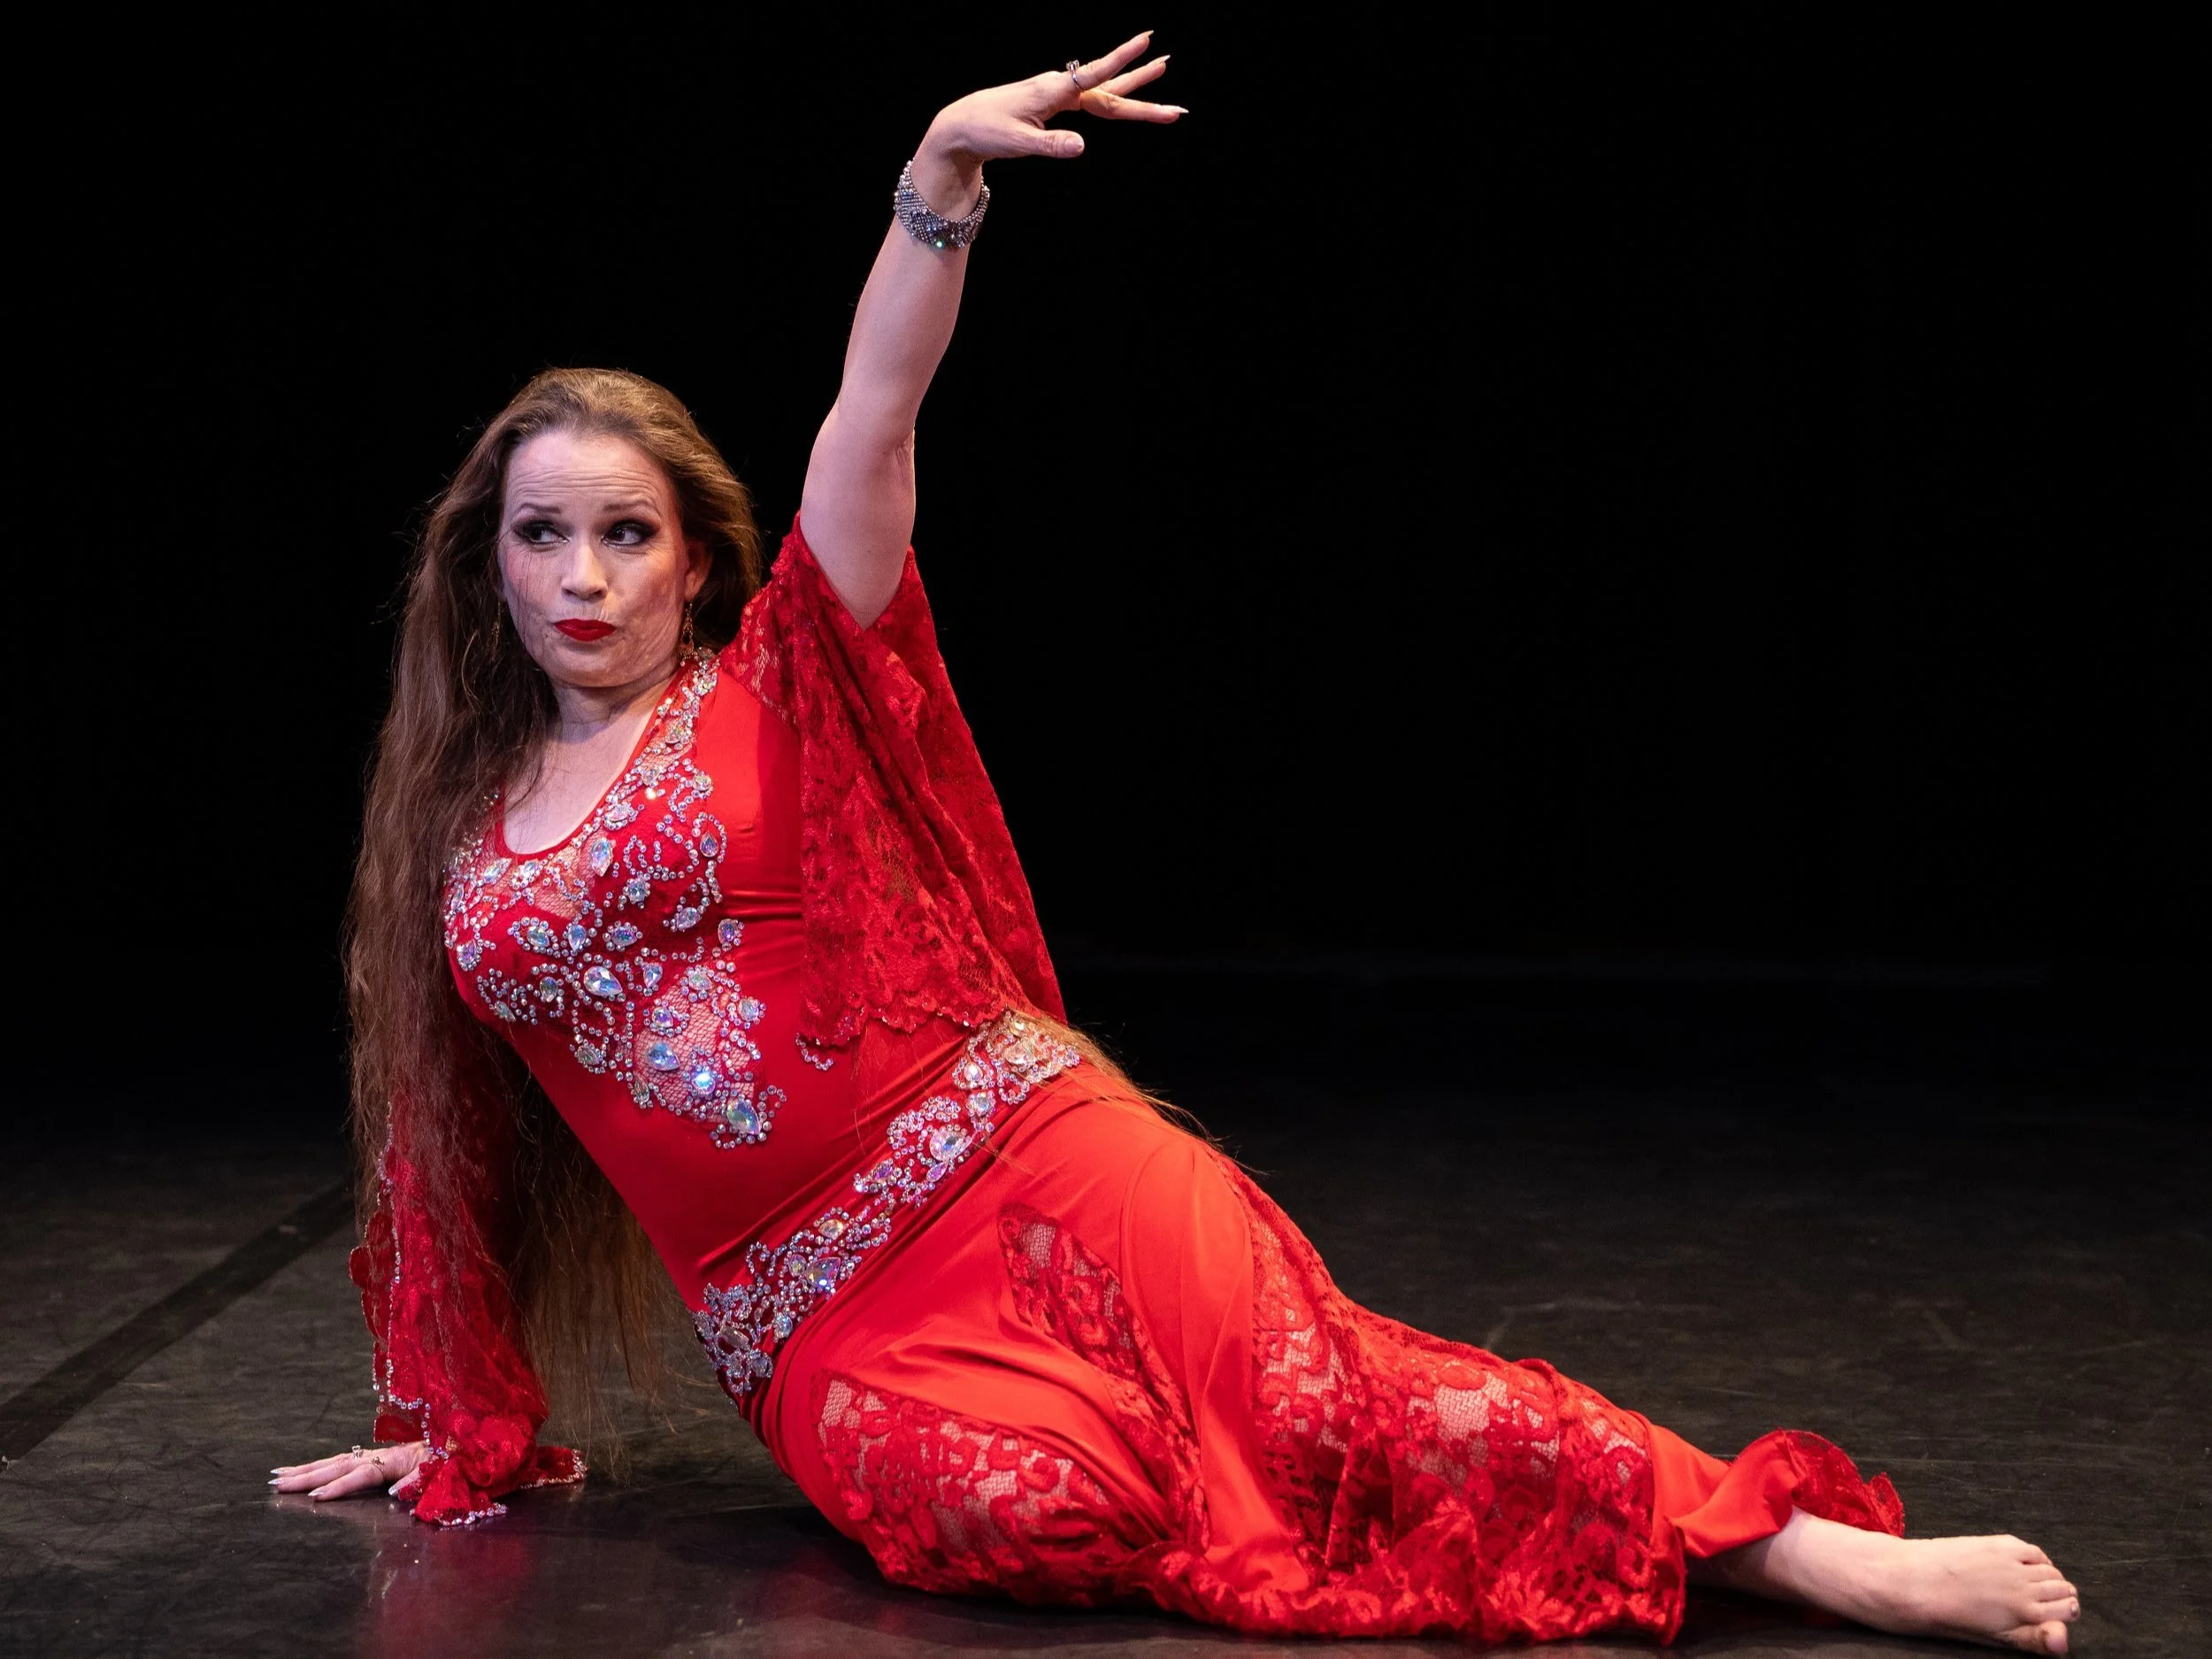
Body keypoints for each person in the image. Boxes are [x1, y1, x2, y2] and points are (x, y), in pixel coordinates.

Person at [273, 35, 2081, 1652]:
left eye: (624, 534)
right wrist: (457, 1412)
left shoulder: (781, 690)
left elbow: (872, 416)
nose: (582, 577)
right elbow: (445, 1147)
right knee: (1024, 1509)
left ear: (695, 559)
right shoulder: (454, 843)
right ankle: (1631, 1543)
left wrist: (933, 188)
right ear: (481, 560)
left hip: (1027, 1157)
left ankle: (1780, 1549)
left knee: (1319, 1403)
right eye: (541, 535)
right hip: (819, 1329)